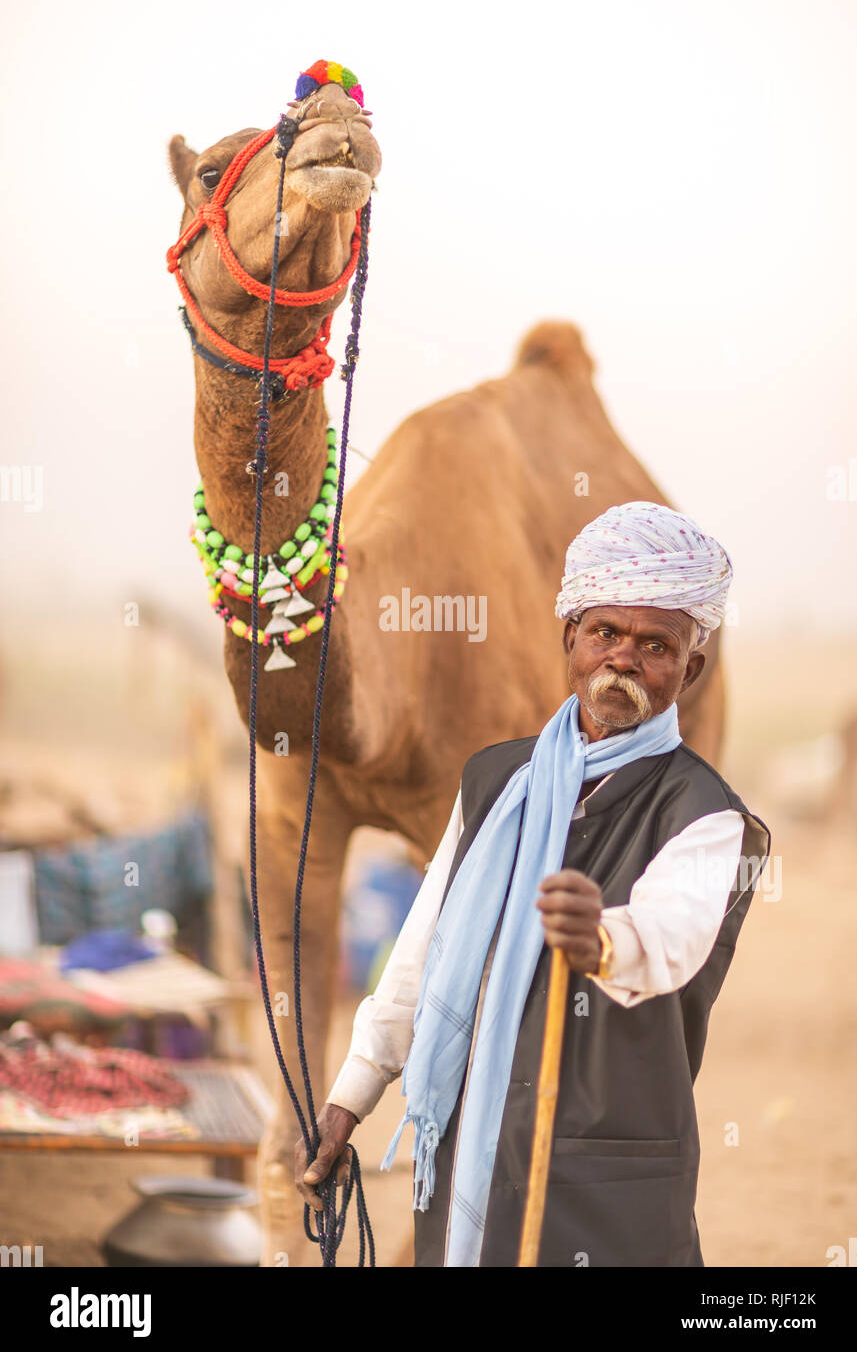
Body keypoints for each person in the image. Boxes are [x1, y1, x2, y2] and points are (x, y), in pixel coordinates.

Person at [295, 501, 770, 1267]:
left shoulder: (706, 813)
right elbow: (420, 951)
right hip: (472, 1154)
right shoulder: (494, 780)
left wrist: (605, 938)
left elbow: (673, 939)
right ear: (569, 639)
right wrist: (351, 1096)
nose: (623, 660)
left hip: (608, 1181)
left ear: (692, 667)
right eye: (604, 633)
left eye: (655, 645)